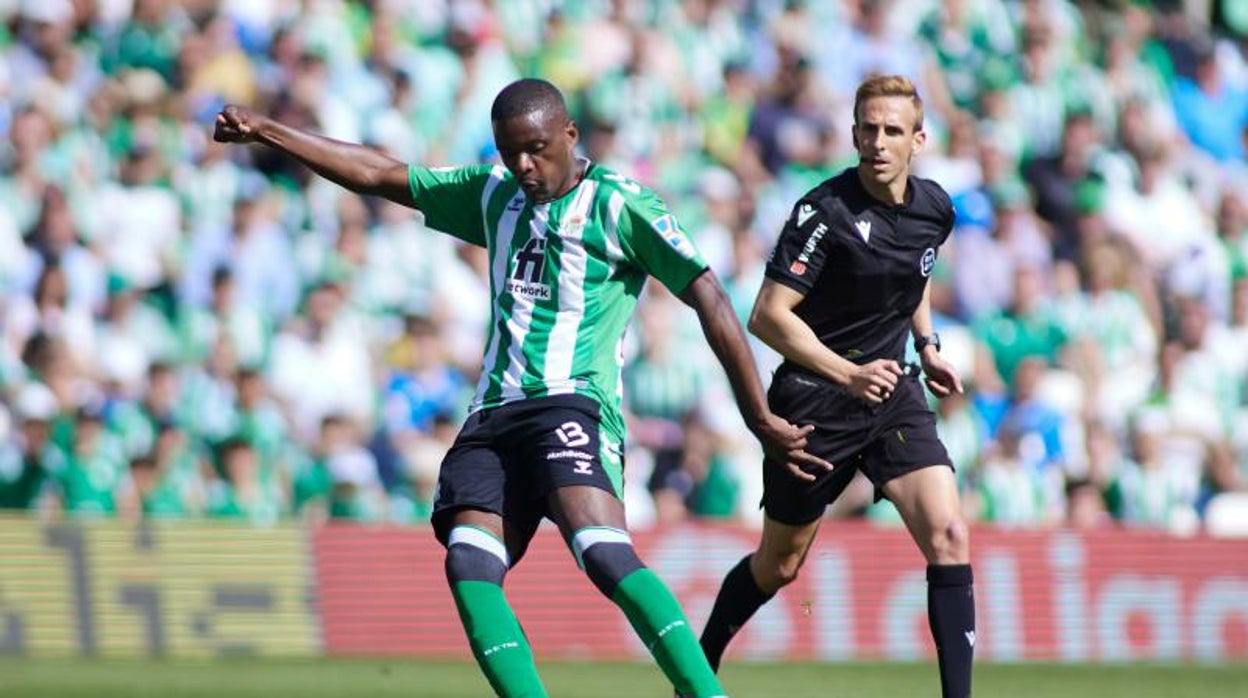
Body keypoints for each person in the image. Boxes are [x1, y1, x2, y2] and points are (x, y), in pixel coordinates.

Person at [213, 77, 828, 698]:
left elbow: (710, 297)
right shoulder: (494, 195)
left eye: (535, 149)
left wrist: (756, 416)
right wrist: (268, 130)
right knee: (468, 561)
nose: (524, 166)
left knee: (600, 549)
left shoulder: (621, 203)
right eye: (510, 152)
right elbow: (381, 173)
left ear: (569, 134)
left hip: (572, 401)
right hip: (493, 414)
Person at [694, 75, 975, 698]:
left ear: (918, 140)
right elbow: (768, 315)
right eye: (868, 129)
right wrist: (847, 373)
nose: (878, 141)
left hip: (892, 391)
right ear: (852, 133)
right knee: (781, 566)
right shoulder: (824, 213)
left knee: (951, 533)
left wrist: (926, 347)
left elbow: (915, 275)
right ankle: (700, 663)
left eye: (892, 131)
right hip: (815, 397)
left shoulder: (936, 209)